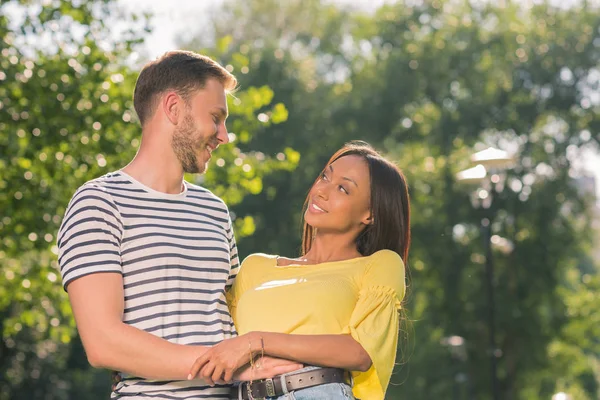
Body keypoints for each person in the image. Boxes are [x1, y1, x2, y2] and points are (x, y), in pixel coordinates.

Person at [56, 50, 301, 399]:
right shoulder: (99, 202)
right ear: (173, 108)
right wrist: (229, 366)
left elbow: (234, 317)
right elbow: (103, 342)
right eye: (216, 117)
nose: (224, 135)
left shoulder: (214, 211)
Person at [190, 141, 411, 400]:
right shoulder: (255, 267)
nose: (321, 191)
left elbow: (361, 352)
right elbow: (216, 340)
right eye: (324, 176)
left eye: (343, 188)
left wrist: (258, 341)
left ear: (370, 214)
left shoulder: (379, 265)